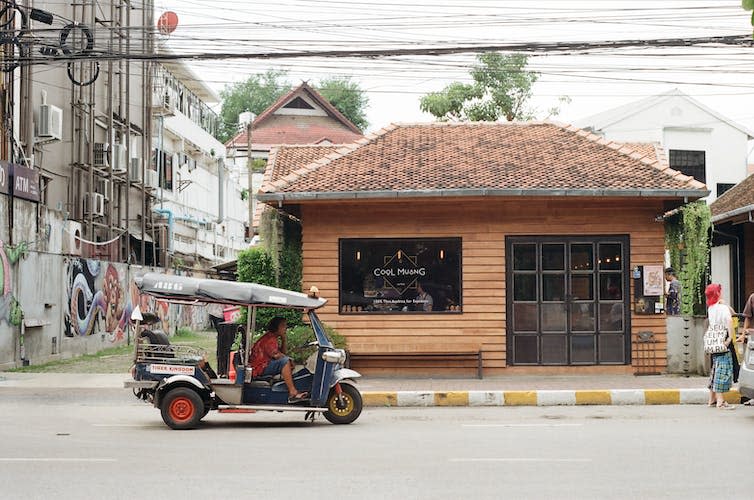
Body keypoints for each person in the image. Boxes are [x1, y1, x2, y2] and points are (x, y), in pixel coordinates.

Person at [248, 317, 307, 402]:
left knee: (285, 360)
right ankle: (293, 392)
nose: (285, 328)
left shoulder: (273, 337)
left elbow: (282, 352)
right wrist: (290, 360)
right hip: (260, 367)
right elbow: (276, 355)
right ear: (276, 327)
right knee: (285, 361)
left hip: (265, 364)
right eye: (283, 326)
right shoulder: (270, 339)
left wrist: (284, 339)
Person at [705, 284, 735, 409]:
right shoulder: (722, 308)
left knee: (715, 368)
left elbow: (731, 312)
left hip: (714, 342)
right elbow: (730, 320)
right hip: (723, 340)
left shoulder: (711, 308)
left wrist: (723, 304)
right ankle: (720, 401)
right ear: (718, 293)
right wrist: (729, 338)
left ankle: (712, 399)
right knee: (723, 370)